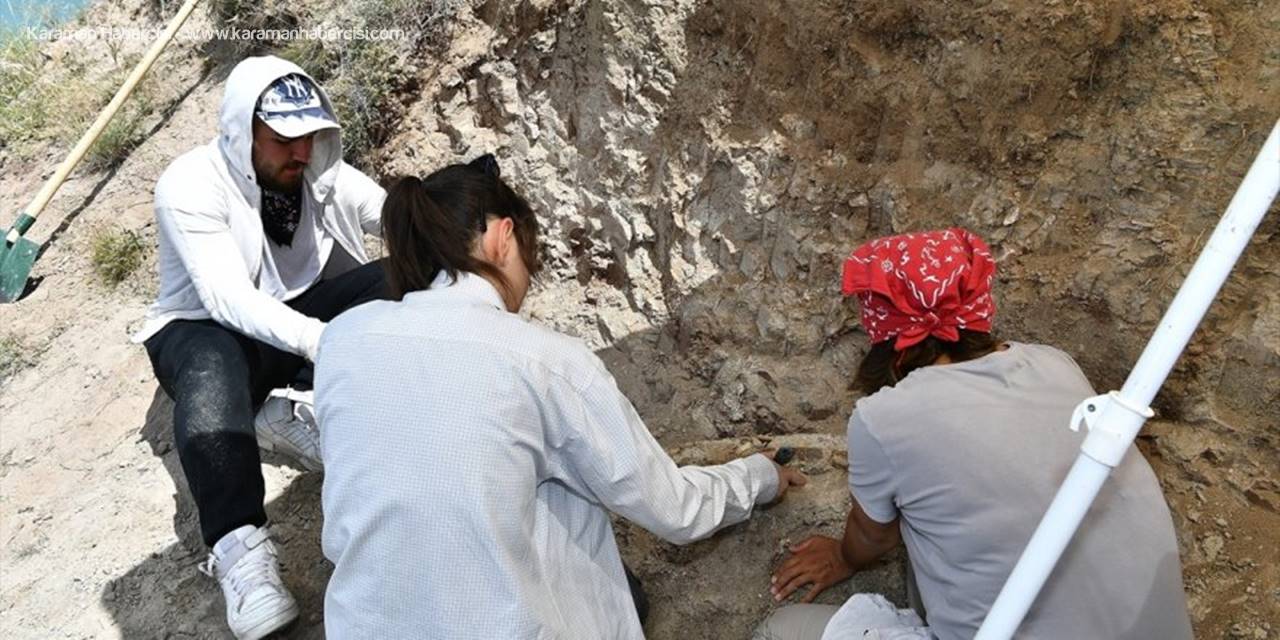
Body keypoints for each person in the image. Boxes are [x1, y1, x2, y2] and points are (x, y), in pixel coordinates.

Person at [314, 154, 808, 639]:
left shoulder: (343, 339)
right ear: (502, 236)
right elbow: (674, 509)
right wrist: (759, 477)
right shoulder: (543, 361)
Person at [754, 229, 1193, 640]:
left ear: (885, 336)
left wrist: (843, 556)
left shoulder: (882, 418)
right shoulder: (1054, 362)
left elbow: (874, 538)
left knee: (783, 629)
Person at [132, 55, 389, 639]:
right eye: (282, 140)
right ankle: (240, 550)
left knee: (404, 276)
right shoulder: (189, 184)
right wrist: (322, 341)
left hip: (294, 318)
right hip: (204, 330)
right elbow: (226, 299)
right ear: (240, 131)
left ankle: (284, 407)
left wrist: (447, 221)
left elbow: (390, 215)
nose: (300, 153)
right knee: (209, 372)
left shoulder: (317, 172)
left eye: (310, 137)